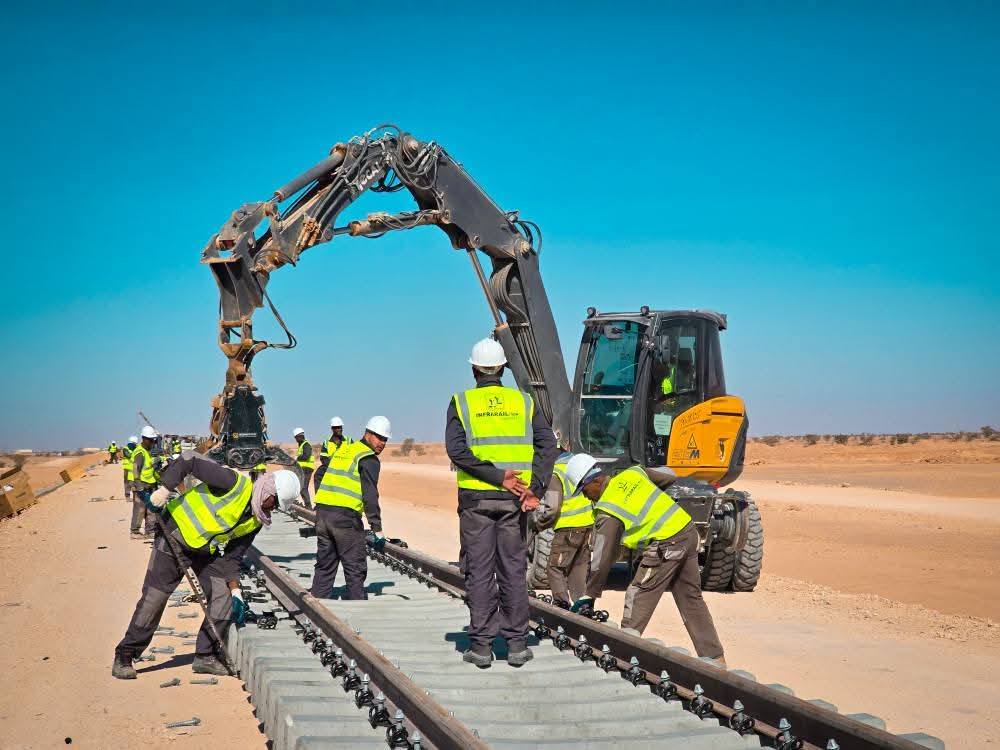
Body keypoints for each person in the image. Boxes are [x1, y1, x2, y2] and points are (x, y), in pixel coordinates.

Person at [111, 454, 300, 679]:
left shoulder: (255, 521)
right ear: (268, 490)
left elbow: (232, 558)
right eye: (275, 502)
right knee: (155, 597)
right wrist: (164, 490)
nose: (273, 509)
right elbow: (189, 461)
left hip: (201, 550)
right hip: (174, 536)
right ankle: (125, 654)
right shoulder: (234, 484)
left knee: (223, 596)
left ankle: (205, 656)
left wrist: (235, 590)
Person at [446, 337, 558, 668]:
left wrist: (496, 477)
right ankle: (517, 646)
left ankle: (481, 648)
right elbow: (547, 447)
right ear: (503, 368)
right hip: (514, 501)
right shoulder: (525, 402)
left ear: (474, 368)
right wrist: (534, 488)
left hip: (477, 501)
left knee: (479, 571)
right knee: (513, 569)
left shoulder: (461, 402)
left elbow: (457, 452)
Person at [567, 454, 726, 664]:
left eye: (585, 490)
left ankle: (620, 657)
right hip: (686, 531)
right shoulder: (633, 473)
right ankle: (715, 658)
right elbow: (669, 475)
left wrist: (590, 594)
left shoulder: (607, 509)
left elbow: (602, 558)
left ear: (595, 480)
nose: (586, 497)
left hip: (665, 545)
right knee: (691, 599)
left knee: (638, 594)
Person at [309, 416, 390, 600]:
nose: (382, 443)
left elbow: (320, 473)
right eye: (379, 437)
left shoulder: (345, 450)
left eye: (385, 439)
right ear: (367, 434)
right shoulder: (368, 458)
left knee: (325, 564)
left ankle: (318, 606)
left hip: (323, 514)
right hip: (344, 518)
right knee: (355, 566)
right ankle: (357, 609)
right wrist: (377, 529)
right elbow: (370, 495)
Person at [532, 452, 595, 608]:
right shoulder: (581, 469)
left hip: (568, 528)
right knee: (578, 568)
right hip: (587, 526)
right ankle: (582, 607)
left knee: (554, 567)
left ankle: (562, 606)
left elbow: (553, 508)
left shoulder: (556, 473)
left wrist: (539, 525)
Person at [129, 426, 159, 540]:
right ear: (144, 439)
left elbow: (148, 468)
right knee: (139, 510)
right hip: (141, 486)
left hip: (149, 485)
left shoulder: (147, 451)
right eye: (151, 440)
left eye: (153, 440)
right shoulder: (140, 452)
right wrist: (139, 486)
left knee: (150, 510)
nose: (153, 443)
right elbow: (136, 469)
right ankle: (134, 531)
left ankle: (149, 531)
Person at [314, 416, 353, 493]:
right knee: (318, 475)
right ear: (332, 429)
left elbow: (353, 455)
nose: (339, 429)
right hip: (331, 467)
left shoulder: (349, 440)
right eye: (336, 427)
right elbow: (323, 457)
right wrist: (332, 467)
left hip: (345, 466)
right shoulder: (327, 442)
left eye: (340, 427)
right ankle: (319, 499)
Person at [293, 427, 315, 509]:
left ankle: (308, 507)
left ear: (300, 436)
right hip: (303, 469)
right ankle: (307, 506)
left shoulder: (306, 445)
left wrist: (297, 458)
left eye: (296, 438)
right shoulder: (302, 444)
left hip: (307, 469)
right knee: (301, 488)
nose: (296, 440)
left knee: (303, 488)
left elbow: (306, 456)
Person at [121, 436, 138, 504]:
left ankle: (135, 497)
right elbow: (129, 456)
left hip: (135, 468)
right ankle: (127, 496)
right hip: (127, 469)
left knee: (135, 483)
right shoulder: (125, 449)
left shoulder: (136, 448)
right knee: (127, 483)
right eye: (135, 444)